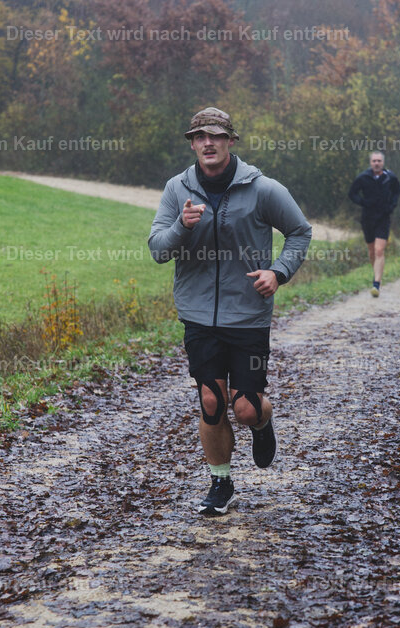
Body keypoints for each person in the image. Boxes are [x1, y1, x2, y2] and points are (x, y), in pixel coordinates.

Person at [149, 107, 312, 516]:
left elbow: (299, 231)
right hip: (198, 314)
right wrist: (182, 226)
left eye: (216, 136)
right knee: (211, 401)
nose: (208, 143)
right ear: (192, 143)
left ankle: (261, 422)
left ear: (230, 142)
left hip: (248, 316)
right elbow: (157, 250)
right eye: (200, 136)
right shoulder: (177, 189)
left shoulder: (262, 188)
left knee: (245, 407)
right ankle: (220, 483)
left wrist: (279, 272)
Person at [348, 151, 400, 297]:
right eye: (374, 161)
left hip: (383, 217)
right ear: (370, 163)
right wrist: (363, 202)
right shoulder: (363, 177)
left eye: (379, 161)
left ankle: (376, 283)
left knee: (379, 250)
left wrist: (392, 206)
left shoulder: (390, 177)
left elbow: (397, 191)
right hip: (368, 217)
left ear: (383, 163)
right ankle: (377, 274)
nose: (376, 163)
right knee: (371, 250)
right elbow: (352, 194)